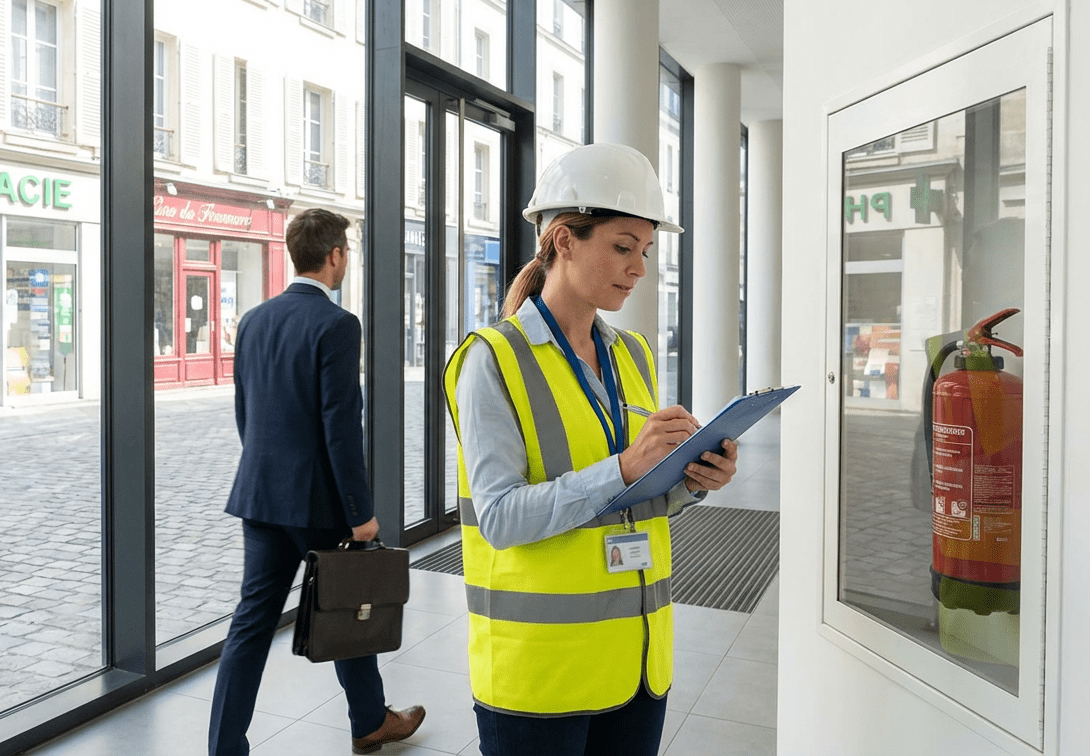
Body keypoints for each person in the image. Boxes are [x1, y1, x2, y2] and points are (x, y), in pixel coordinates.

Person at [443, 143, 740, 756]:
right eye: (622, 246)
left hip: (636, 660)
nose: (639, 268)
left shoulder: (632, 354)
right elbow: (499, 519)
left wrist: (690, 479)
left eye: (646, 252)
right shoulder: (491, 360)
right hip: (542, 673)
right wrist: (626, 465)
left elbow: (634, 498)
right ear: (563, 240)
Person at [208, 208, 425, 756]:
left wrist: (268, 477)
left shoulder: (254, 319)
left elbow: (246, 415)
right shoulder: (337, 324)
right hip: (320, 504)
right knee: (350, 608)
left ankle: (224, 747)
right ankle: (370, 722)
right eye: (346, 252)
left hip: (260, 497)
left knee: (250, 626)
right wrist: (360, 511)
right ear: (335, 257)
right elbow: (340, 426)